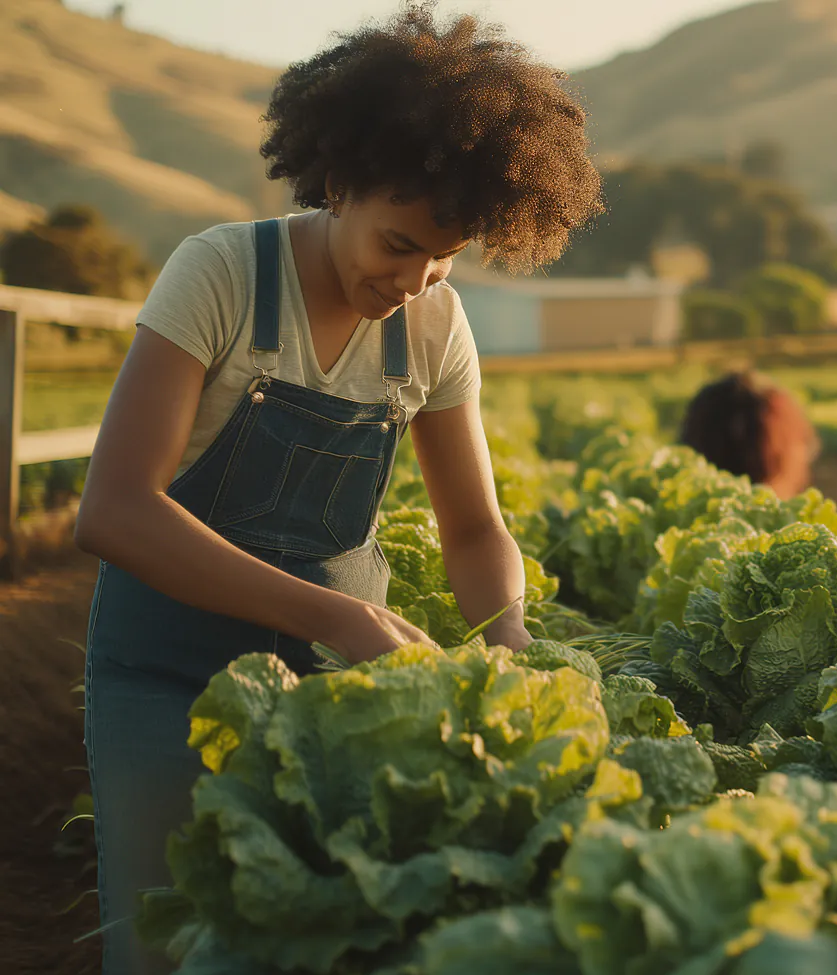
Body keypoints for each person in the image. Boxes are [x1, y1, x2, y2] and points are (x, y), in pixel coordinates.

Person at [74, 6, 603, 973]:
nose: (420, 277)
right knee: (159, 945)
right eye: (398, 243)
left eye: (447, 254)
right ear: (342, 182)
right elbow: (114, 511)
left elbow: (476, 530)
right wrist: (343, 617)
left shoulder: (437, 326)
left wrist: (512, 640)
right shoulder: (222, 274)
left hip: (336, 700)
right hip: (164, 669)